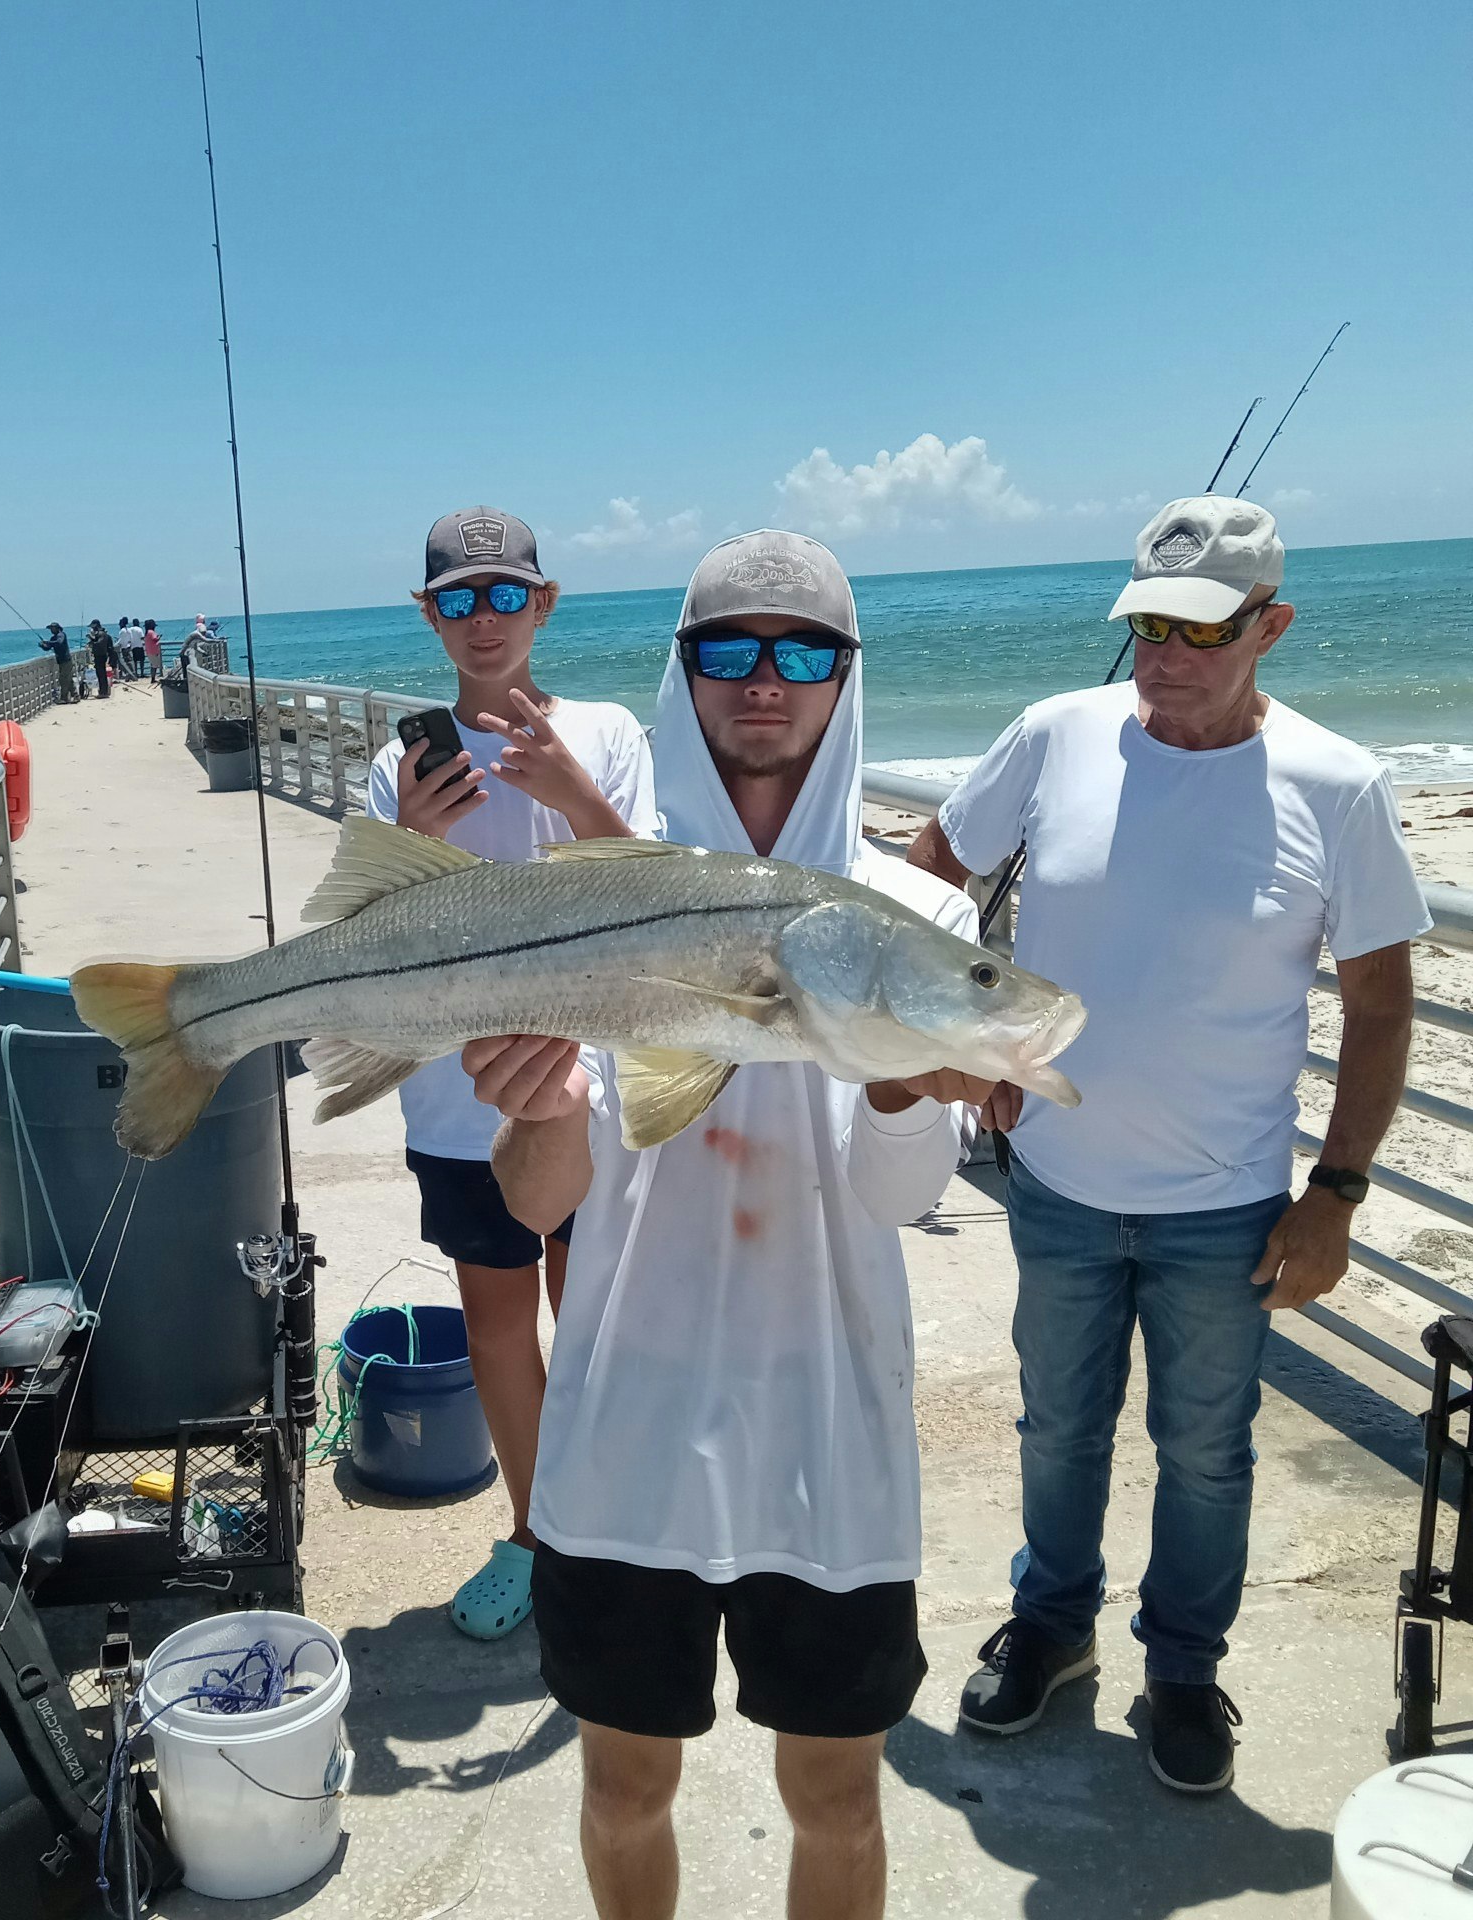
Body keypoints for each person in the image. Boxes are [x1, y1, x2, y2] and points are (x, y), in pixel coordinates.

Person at [462, 530, 987, 1920]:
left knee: (838, 1801)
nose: (767, 680)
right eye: (730, 649)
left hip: (830, 1433)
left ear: (846, 678)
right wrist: (546, 1111)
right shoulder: (588, 901)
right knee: (624, 1787)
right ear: (681, 672)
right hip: (624, 1425)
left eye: (803, 649)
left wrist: (891, 1085)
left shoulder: (918, 913)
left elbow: (903, 1201)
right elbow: (533, 1204)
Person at [908, 497, 1430, 1794]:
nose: (1165, 655)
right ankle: (1051, 1626)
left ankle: (1184, 1670)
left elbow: (1380, 1003)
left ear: (1272, 627)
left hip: (1229, 1209)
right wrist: (975, 1043)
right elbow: (928, 876)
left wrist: (1340, 1192)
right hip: (1061, 1187)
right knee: (1057, 1428)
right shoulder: (1052, 736)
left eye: (1201, 630)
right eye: (1147, 622)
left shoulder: (1338, 783)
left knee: (1208, 1451)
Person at [364, 506, 657, 1642]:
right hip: (455, 1099)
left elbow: (653, 890)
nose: (481, 620)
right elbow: (371, 936)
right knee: (497, 1322)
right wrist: (419, 840)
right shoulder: (396, 767)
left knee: (592, 1317)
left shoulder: (608, 731)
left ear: (541, 604)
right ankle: (538, 1535)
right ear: (429, 616)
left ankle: (612, 1530)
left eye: (502, 596)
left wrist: (575, 793)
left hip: (591, 1087)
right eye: (456, 599)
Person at [39, 622, 75, 703]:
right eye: (50, 629)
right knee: (68, 679)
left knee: (63, 679)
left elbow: (59, 642)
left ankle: (64, 698)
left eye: (53, 628)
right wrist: (42, 645)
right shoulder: (53, 638)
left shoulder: (61, 635)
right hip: (61, 661)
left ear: (57, 628)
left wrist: (47, 642)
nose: (51, 630)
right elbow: (48, 648)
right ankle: (75, 695)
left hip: (66, 660)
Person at [86, 619, 115, 699]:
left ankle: (103, 692)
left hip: (101, 656)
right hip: (100, 656)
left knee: (101, 674)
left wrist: (92, 643)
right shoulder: (101, 633)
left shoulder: (101, 633)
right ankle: (102, 691)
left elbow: (100, 643)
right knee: (100, 674)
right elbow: (97, 641)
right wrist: (91, 639)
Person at [143, 619, 163, 684]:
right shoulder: (151, 632)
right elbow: (155, 639)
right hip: (154, 651)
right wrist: (159, 637)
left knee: (153, 665)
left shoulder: (146, 632)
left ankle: (153, 678)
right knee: (155, 665)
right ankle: (153, 679)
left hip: (149, 651)